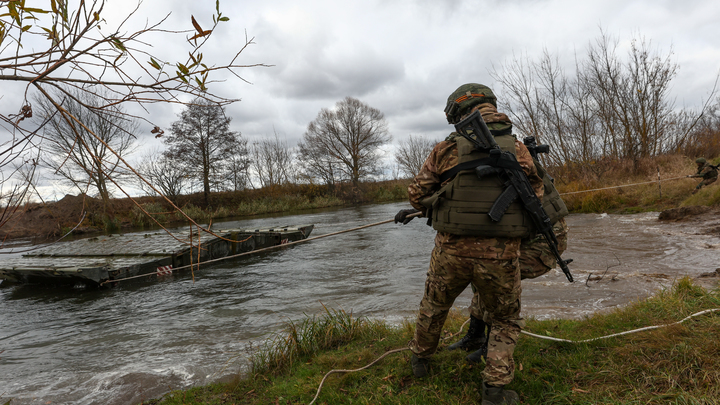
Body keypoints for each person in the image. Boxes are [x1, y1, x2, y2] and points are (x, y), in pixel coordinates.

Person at [395, 83, 544, 405]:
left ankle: (420, 361)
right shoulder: (518, 149)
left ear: (459, 114)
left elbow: (417, 196)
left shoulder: (444, 149)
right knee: (505, 318)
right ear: (491, 106)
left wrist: (442, 199)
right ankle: (494, 390)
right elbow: (537, 197)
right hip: (500, 254)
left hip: (450, 250)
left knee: (434, 306)